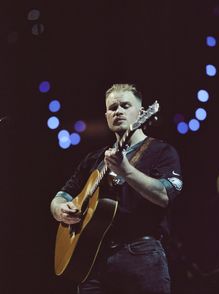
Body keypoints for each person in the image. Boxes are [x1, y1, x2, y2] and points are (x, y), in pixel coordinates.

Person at [50, 84, 183, 294]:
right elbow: (62, 195)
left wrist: (127, 171)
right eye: (112, 108)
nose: (118, 111)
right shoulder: (94, 158)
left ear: (141, 113)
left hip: (141, 255)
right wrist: (59, 209)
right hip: (93, 261)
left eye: (125, 105)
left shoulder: (161, 152)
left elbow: (164, 195)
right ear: (106, 115)